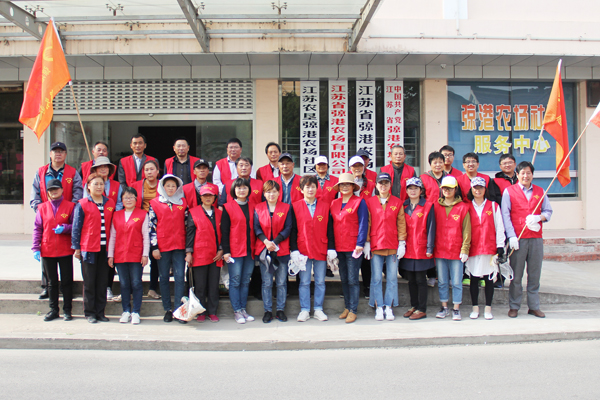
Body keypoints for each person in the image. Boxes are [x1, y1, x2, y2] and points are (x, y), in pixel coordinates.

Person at [31, 141, 83, 299]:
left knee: (65, 254)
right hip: (46, 216)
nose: (58, 154)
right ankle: (47, 286)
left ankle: (66, 289)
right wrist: (41, 211)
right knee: (46, 251)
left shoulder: (73, 172)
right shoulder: (41, 172)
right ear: (50, 154)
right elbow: (35, 193)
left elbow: (78, 192)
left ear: (66, 154)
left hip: (66, 217)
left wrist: (71, 212)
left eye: (61, 151)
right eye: (55, 151)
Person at [502, 161, 552, 319]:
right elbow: (505, 215)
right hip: (518, 239)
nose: (525, 176)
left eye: (528, 173)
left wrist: (539, 217)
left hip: (536, 238)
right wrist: (511, 236)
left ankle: (534, 306)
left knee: (534, 274)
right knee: (516, 275)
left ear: (532, 174)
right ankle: (514, 306)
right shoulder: (509, 192)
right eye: (522, 173)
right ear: (517, 174)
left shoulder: (540, 191)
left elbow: (548, 211)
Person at [71, 173, 116, 324]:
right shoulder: (82, 204)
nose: (98, 186)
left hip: (105, 249)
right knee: (90, 282)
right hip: (88, 248)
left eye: (101, 184)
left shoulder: (110, 203)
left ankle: (100, 312)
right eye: (95, 184)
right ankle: (89, 312)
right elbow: (76, 227)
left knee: (102, 282)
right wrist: (77, 248)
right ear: (88, 186)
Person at [291, 175, 336, 322]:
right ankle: (304, 309)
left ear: (317, 189)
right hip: (302, 249)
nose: (310, 189)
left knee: (320, 281)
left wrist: (331, 248)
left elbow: (330, 229)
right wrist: (294, 249)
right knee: (304, 281)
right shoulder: (295, 206)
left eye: (313, 187)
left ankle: (318, 309)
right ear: (301, 189)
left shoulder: (325, 206)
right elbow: (293, 230)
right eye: (307, 187)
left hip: (320, 247)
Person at [364, 172, 407, 321]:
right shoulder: (370, 202)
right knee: (376, 278)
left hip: (392, 244)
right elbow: (368, 223)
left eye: (386, 183)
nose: (383, 186)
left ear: (390, 185)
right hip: (376, 244)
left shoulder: (397, 202)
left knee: (392, 278)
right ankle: (378, 306)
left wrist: (402, 242)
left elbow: (401, 223)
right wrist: (367, 242)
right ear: (376, 185)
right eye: (380, 183)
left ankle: (389, 306)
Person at [32, 179, 74, 322]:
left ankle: (67, 310)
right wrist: (35, 247)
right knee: (52, 282)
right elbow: (37, 228)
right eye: (51, 190)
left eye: (56, 189)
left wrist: (65, 228)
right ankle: (53, 310)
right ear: (47, 193)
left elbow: (75, 226)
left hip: (65, 249)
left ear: (62, 190)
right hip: (47, 249)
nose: (54, 192)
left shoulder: (70, 206)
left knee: (67, 281)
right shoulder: (42, 208)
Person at [149, 174, 188, 324]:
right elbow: (151, 226)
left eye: (173, 186)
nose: (171, 188)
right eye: (168, 186)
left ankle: (178, 310)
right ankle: (167, 309)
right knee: (164, 277)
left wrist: (188, 248)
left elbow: (187, 224)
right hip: (163, 246)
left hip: (180, 245)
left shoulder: (183, 203)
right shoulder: (155, 203)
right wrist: (154, 246)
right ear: (162, 187)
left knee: (179, 277)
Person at [107, 187, 149, 325]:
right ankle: (126, 311)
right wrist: (110, 255)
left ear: (136, 199)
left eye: (131, 197)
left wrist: (145, 254)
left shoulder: (142, 214)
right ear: (122, 200)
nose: (129, 200)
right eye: (126, 197)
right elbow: (113, 236)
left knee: (136, 283)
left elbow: (146, 236)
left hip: (136, 254)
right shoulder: (116, 215)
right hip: (120, 254)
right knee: (124, 284)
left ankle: (136, 311)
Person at [330, 173, 369, 323]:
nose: (345, 187)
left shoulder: (359, 202)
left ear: (353, 186)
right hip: (339, 247)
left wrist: (360, 243)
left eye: (348, 184)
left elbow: (363, 224)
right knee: (344, 278)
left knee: (353, 279)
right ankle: (347, 306)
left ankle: (353, 309)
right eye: (342, 184)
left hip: (354, 247)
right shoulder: (334, 203)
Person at [465, 177, 505, 320]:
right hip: (473, 248)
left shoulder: (493, 206)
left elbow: (499, 227)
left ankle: (488, 308)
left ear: (485, 189)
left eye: (481, 187)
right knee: (474, 278)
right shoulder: (466, 207)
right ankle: (475, 307)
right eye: (475, 188)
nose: (478, 190)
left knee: (489, 278)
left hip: (489, 248)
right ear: (471, 189)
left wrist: (500, 246)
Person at [254, 180, 292, 323]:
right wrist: (266, 242)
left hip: (281, 249)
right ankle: (268, 311)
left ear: (279, 193)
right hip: (264, 250)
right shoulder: (258, 208)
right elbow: (256, 227)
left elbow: (288, 227)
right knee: (267, 282)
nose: (271, 194)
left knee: (281, 282)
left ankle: (280, 310)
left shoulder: (286, 207)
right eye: (268, 192)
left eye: (274, 191)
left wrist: (275, 242)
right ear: (264, 193)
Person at [433, 176, 471, 321]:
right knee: (442, 281)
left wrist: (465, 249)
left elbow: (467, 230)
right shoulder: (435, 206)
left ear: (455, 189)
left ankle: (456, 308)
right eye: (444, 188)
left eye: (450, 188)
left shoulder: (463, 207)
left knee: (456, 282)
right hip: (440, 250)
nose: (447, 191)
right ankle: (444, 307)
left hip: (456, 251)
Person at [185, 184, 223, 323]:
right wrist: (189, 252)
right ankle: (200, 311)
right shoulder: (193, 212)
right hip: (199, 253)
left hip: (215, 254)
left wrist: (221, 249)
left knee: (213, 285)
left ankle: (212, 311)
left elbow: (224, 233)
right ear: (200, 197)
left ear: (214, 198)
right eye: (205, 195)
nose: (208, 198)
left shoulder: (219, 213)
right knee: (200, 285)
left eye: (210, 196)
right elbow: (190, 233)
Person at [221, 178, 256, 324]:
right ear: (234, 190)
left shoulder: (254, 206)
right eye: (239, 188)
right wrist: (226, 251)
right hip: (235, 250)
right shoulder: (228, 207)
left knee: (245, 281)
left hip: (250, 250)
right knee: (235, 281)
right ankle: (237, 311)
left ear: (249, 190)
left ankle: (243, 309)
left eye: (244, 188)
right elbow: (224, 231)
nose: (242, 190)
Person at [401, 177, 435, 320]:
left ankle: (422, 308)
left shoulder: (428, 205)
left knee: (421, 279)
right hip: (407, 248)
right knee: (411, 280)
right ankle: (414, 306)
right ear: (406, 190)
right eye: (410, 188)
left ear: (421, 191)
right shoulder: (403, 206)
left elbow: (431, 227)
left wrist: (430, 247)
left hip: (421, 248)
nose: (413, 191)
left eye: (416, 188)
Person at [90, 156, 123, 302]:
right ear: (95, 170)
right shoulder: (90, 184)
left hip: (112, 223)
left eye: (106, 167)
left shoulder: (117, 185)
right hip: (94, 225)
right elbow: (86, 202)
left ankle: (108, 286)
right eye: (100, 167)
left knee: (110, 256)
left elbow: (120, 202)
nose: (103, 169)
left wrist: (112, 213)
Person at [130, 159, 161, 299]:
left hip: (158, 225)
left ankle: (152, 288)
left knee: (155, 257)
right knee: (138, 256)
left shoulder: (163, 185)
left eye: (152, 169)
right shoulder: (136, 186)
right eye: (146, 170)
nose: (149, 172)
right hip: (139, 223)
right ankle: (134, 288)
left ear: (157, 171)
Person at [348, 155, 375, 299]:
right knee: (349, 258)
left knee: (366, 258)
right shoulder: (346, 182)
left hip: (366, 221)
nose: (357, 169)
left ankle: (367, 287)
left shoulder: (370, 184)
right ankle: (348, 288)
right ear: (350, 168)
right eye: (354, 166)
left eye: (360, 166)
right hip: (349, 223)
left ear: (364, 167)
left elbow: (375, 202)